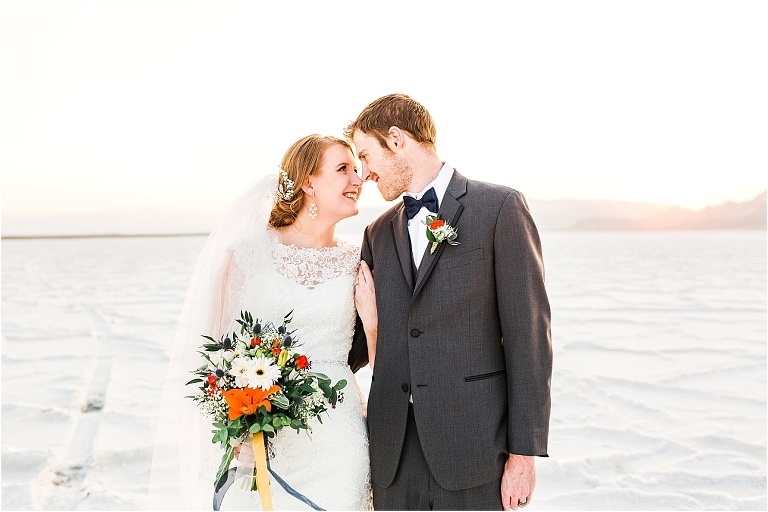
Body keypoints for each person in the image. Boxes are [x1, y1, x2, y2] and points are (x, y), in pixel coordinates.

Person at [346, 94, 552, 511]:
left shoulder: (500, 208)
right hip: (392, 457)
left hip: (475, 451)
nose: (363, 173)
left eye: (365, 156)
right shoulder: (376, 233)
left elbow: (528, 337)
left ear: (396, 139)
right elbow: (349, 349)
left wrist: (524, 455)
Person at [149, 134, 375, 510]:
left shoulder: (359, 263)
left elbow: (378, 349)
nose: (358, 178)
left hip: (339, 435)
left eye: (356, 168)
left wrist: (373, 323)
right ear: (308, 182)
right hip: (261, 438)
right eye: (343, 169)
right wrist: (236, 427)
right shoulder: (248, 255)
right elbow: (217, 356)